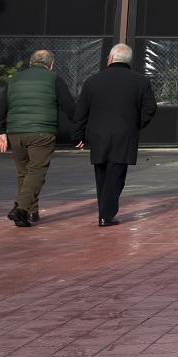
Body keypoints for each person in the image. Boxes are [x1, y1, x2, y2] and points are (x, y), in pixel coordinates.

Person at [73, 43, 158, 227]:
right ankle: (106, 214)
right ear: (129, 61)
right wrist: (137, 123)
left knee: (101, 174)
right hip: (124, 134)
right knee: (116, 175)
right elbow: (150, 108)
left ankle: (104, 212)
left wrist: (78, 136)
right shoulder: (141, 81)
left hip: (98, 135)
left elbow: (81, 111)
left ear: (110, 59)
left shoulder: (92, 81)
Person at [0, 49, 76, 228]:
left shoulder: (14, 79)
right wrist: (79, 127)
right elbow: (69, 107)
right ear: (51, 65)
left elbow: (1, 106)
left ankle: (31, 212)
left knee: (24, 172)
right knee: (36, 171)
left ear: (31, 63)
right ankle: (21, 209)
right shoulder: (54, 79)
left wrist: (0, 131)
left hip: (16, 132)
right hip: (42, 131)